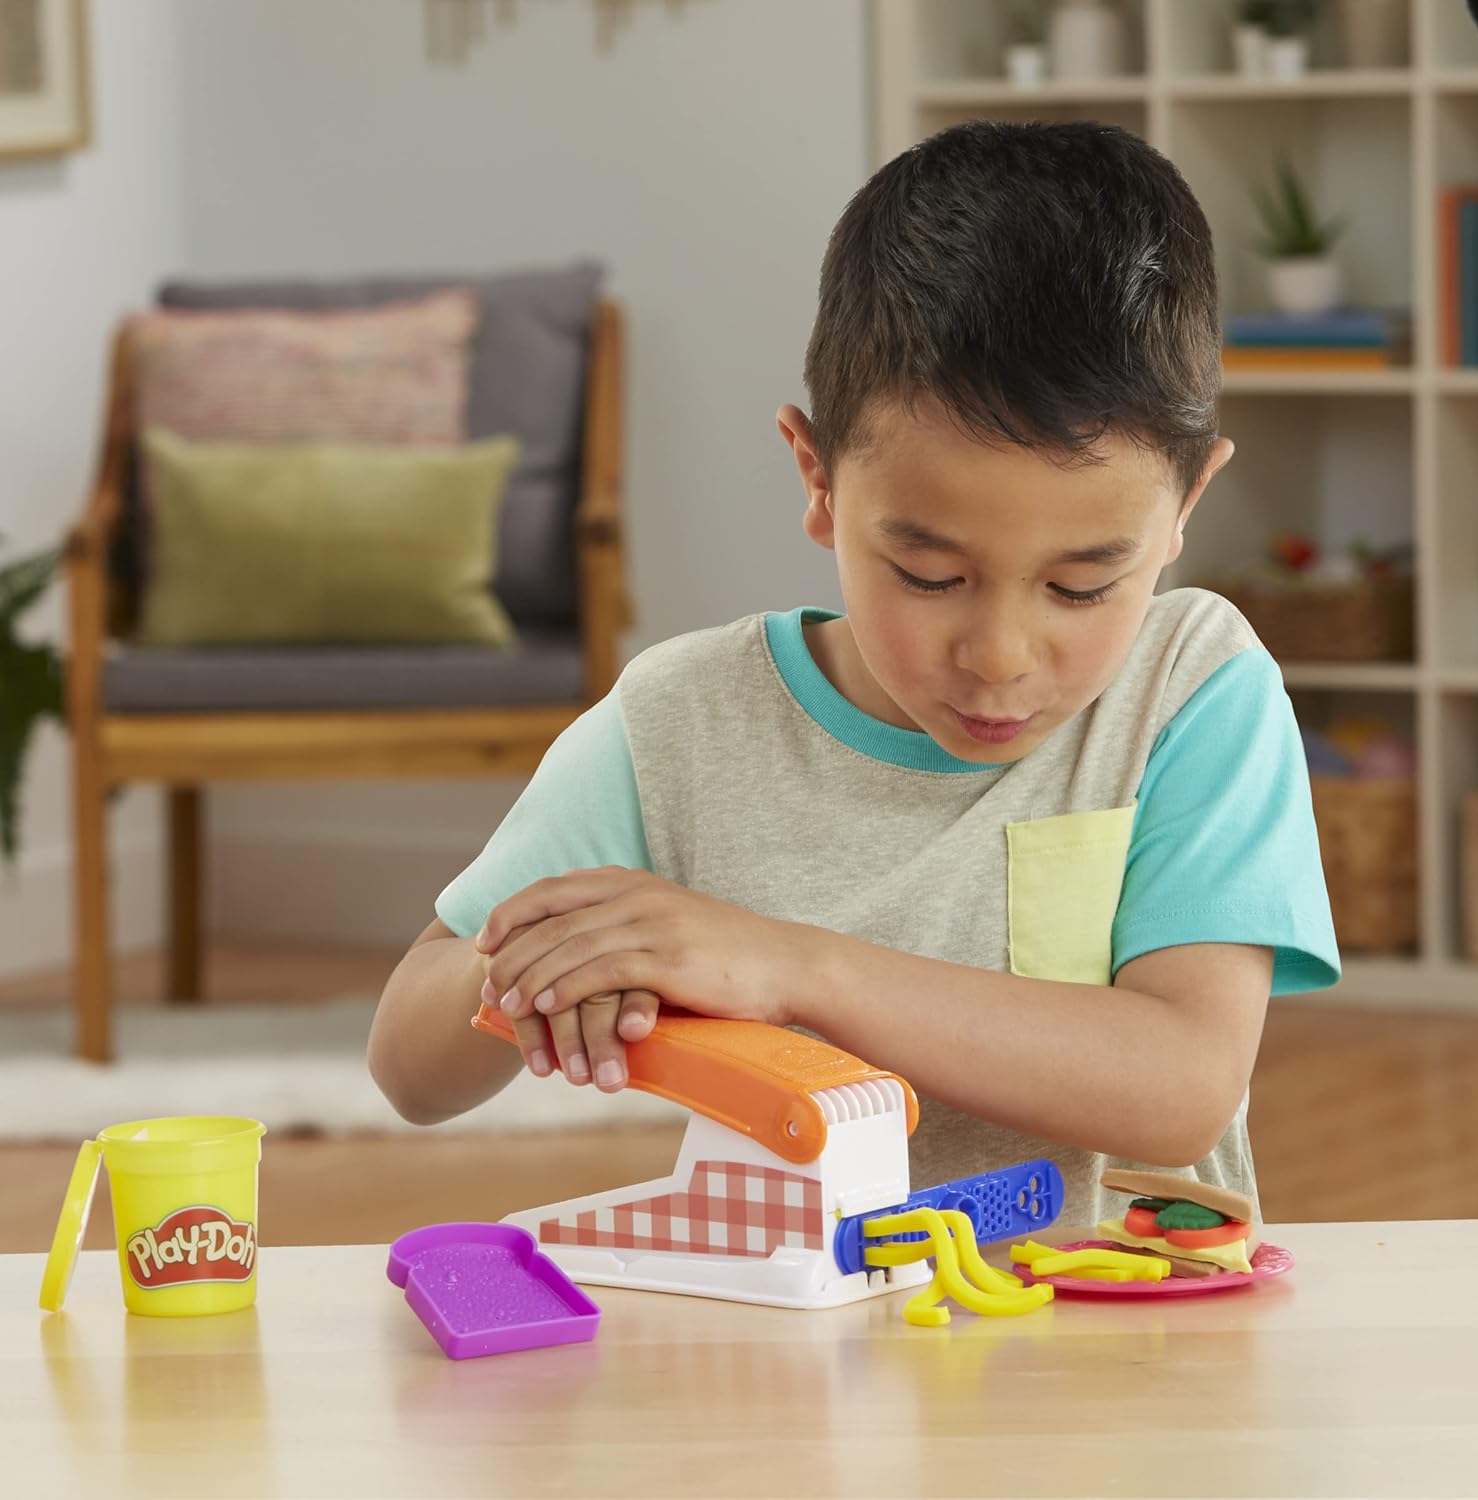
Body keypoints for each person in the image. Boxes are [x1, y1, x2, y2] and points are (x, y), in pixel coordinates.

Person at [368, 120, 1340, 1230]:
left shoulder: (1194, 687)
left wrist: (791, 968)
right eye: (930, 575)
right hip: (797, 1327)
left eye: (1081, 586)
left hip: (1117, 1325)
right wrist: (549, 966)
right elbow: (410, 1066)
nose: (1000, 655)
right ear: (818, 478)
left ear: (1186, 506)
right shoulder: (681, 722)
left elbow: (1180, 1087)